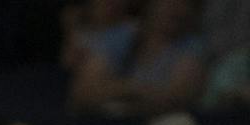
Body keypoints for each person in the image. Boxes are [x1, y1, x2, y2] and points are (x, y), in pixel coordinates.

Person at [71, 0, 210, 116]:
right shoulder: (121, 36)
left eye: (184, 3)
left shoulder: (193, 46)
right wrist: (134, 89)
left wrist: (116, 91)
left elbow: (176, 97)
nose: (175, 9)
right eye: (168, 1)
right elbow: (83, 91)